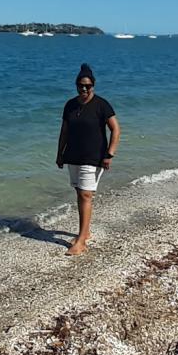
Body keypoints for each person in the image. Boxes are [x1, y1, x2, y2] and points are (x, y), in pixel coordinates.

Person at [55, 63, 120, 256]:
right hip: (73, 155)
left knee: (86, 195)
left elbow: (115, 129)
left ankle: (81, 241)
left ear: (93, 86)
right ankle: (85, 232)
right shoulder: (70, 105)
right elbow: (64, 131)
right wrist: (60, 154)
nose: (84, 89)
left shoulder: (101, 105)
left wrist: (110, 154)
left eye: (88, 86)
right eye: (80, 85)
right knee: (79, 193)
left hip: (94, 156)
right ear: (76, 85)